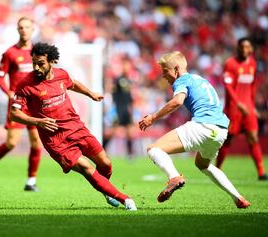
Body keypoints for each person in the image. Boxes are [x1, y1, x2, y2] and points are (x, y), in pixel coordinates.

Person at [10, 42, 137, 210]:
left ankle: (107, 191)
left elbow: (73, 83)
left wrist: (90, 93)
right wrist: (37, 121)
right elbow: (14, 114)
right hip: (55, 139)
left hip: (76, 127)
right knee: (86, 167)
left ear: (52, 61)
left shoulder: (61, 75)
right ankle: (125, 199)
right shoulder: (25, 84)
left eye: (40, 63)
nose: (36, 68)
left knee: (105, 163)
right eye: (34, 63)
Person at [138, 51, 250, 208]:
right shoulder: (200, 79)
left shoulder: (182, 80)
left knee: (153, 149)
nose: (164, 76)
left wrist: (153, 117)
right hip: (220, 130)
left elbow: (177, 101)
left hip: (202, 125)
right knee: (203, 165)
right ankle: (238, 198)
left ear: (176, 69)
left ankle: (174, 177)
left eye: (166, 72)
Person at [0, 17, 43, 191]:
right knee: (12, 143)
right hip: (18, 103)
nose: (24, 30)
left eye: (27, 27)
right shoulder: (10, 53)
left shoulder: (38, 52)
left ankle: (31, 181)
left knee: (37, 143)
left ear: (33, 29)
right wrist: (10, 93)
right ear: (17, 30)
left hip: (35, 103)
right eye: (21, 27)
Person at [216, 37, 267, 180]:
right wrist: (238, 103)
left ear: (251, 49)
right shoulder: (230, 64)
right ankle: (217, 170)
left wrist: (252, 105)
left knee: (253, 138)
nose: (245, 50)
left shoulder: (252, 64)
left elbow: (253, 86)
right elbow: (228, 86)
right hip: (234, 109)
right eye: (242, 47)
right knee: (228, 140)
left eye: (247, 47)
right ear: (238, 48)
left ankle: (261, 173)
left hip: (248, 109)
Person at [103, 57, 134, 159]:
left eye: (128, 66)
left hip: (126, 111)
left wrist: (131, 109)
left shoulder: (129, 80)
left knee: (129, 132)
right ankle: (102, 150)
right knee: (112, 131)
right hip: (118, 110)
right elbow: (114, 94)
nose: (127, 68)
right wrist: (113, 109)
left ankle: (130, 154)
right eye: (125, 65)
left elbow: (129, 98)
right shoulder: (118, 79)